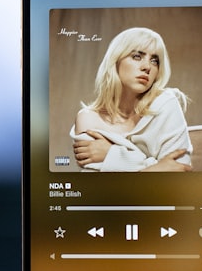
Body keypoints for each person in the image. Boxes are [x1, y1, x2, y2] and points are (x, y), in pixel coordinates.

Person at [71, 27, 192, 172]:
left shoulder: (165, 105)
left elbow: (180, 171)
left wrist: (113, 156)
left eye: (154, 61)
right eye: (137, 56)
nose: (147, 67)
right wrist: (156, 168)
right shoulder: (88, 119)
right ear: (115, 61)